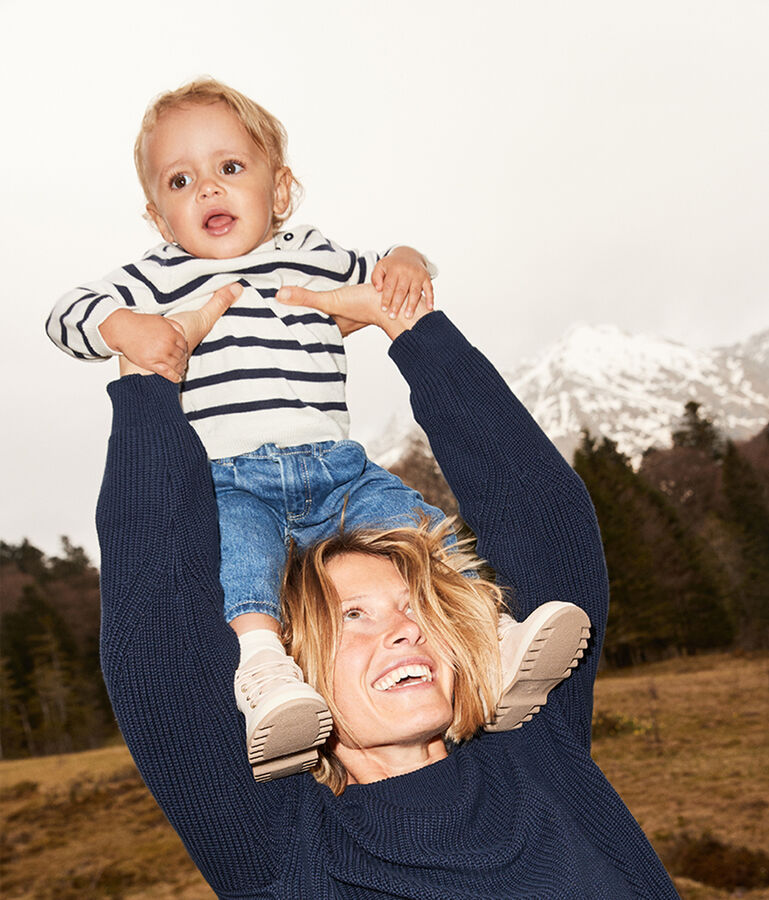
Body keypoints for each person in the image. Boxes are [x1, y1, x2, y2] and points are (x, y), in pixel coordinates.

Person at [46, 78, 586, 780]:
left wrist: (408, 262)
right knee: (242, 565)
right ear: (157, 217)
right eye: (181, 180)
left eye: (230, 168)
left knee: (419, 531)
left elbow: (391, 271)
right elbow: (68, 311)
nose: (207, 189)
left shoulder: (309, 252)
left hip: (335, 468)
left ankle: (496, 639)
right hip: (229, 478)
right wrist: (123, 327)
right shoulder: (155, 279)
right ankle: (268, 676)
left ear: (279, 191)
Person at [97, 282, 678, 898]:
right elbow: (154, 645)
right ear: (294, 671)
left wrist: (413, 328)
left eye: (415, 607)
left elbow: (544, 521)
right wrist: (148, 391)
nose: (407, 629)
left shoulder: (536, 740)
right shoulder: (280, 847)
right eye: (353, 616)